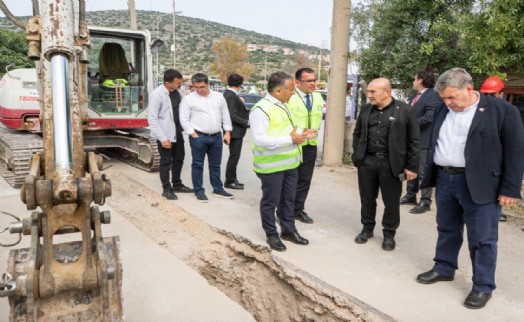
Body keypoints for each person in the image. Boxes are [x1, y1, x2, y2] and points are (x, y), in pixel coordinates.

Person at [416, 68, 524, 309]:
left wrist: (509, 188)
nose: (447, 102)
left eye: (451, 97)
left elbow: (515, 151)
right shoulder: (444, 109)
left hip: (482, 184)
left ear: (468, 88)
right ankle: (444, 267)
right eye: (444, 98)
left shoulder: (502, 111)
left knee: (483, 239)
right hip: (445, 179)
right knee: (447, 228)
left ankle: (483, 286)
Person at [352, 78, 420, 251]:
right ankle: (367, 228)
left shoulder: (405, 110)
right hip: (367, 161)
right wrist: (357, 155)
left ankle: (389, 234)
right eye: (369, 92)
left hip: (391, 163)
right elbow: (358, 133)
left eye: (373, 92)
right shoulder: (366, 109)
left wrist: (412, 166)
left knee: (391, 200)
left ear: (387, 92)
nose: (369, 95)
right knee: (367, 198)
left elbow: (414, 141)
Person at [250, 71, 312, 251]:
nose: (293, 93)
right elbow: (260, 139)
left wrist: (302, 133)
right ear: (278, 91)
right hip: (271, 167)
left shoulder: (282, 105)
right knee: (270, 202)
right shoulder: (261, 110)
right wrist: (291, 140)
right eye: (291, 90)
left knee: (288, 200)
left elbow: (284, 130)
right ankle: (271, 234)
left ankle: (288, 230)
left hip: (290, 164)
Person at [180, 73, 234, 202]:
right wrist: (193, 134)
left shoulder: (219, 97)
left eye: (202, 86)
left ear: (208, 84)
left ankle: (218, 189)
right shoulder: (188, 99)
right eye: (196, 87)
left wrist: (227, 132)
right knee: (198, 165)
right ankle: (199, 191)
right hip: (199, 137)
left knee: (216, 164)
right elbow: (183, 118)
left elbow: (225, 115)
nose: (199, 90)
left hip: (216, 137)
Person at [400, 71, 441, 214]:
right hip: (411, 140)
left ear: (421, 80)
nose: (412, 81)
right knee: (411, 167)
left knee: (423, 171)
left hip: (424, 139)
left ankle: (425, 201)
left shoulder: (433, 95)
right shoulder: (413, 96)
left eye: (414, 79)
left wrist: (412, 125)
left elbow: (430, 116)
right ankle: (411, 195)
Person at [286, 68, 323, 224]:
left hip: (310, 146)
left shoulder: (318, 97)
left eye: (314, 80)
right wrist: (302, 132)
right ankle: (284, 211)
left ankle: (298, 210)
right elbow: (284, 122)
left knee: (304, 181)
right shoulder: (290, 98)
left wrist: (313, 132)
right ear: (298, 82)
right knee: (289, 181)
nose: (313, 83)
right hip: (293, 145)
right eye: (308, 81)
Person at [148, 69, 190, 200]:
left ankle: (177, 184)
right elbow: (152, 118)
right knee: (166, 162)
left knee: (179, 158)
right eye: (178, 82)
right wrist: (162, 138)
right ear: (167, 82)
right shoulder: (157, 95)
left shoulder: (177, 93)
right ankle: (166, 189)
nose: (180, 84)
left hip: (177, 131)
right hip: (164, 133)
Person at [479, 76, 508, 222]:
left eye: (493, 94)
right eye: (487, 94)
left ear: (501, 94)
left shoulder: (508, 112)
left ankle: (498, 210)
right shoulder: (478, 111)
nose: (490, 98)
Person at [223, 74, 249, 190]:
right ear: (240, 84)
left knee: (234, 156)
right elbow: (232, 115)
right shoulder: (231, 95)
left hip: (236, 131)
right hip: (235, 131)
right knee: (234, 157)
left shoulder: (231, 94)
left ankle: (233, 178)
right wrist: (246, 122)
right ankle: (230, 181)